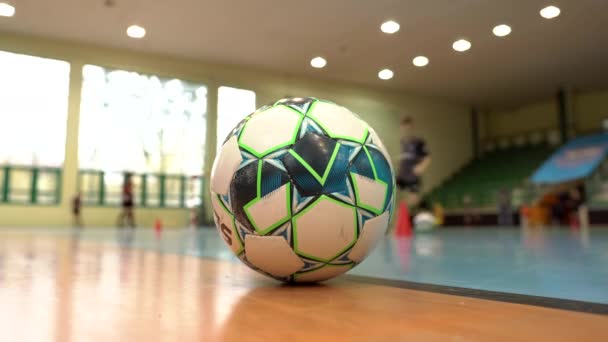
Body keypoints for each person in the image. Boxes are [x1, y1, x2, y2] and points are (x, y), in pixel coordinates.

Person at [396, 116, 431, 209]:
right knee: (394, 194)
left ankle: (422, 207)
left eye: (408, 128)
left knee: (413, 201)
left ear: (411, 128)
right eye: (403, 128)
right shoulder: (402, 142)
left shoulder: (418, 142)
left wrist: (421, 167)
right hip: (402, 176)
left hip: (412, 177)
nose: (405, 130)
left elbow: (427, 157)